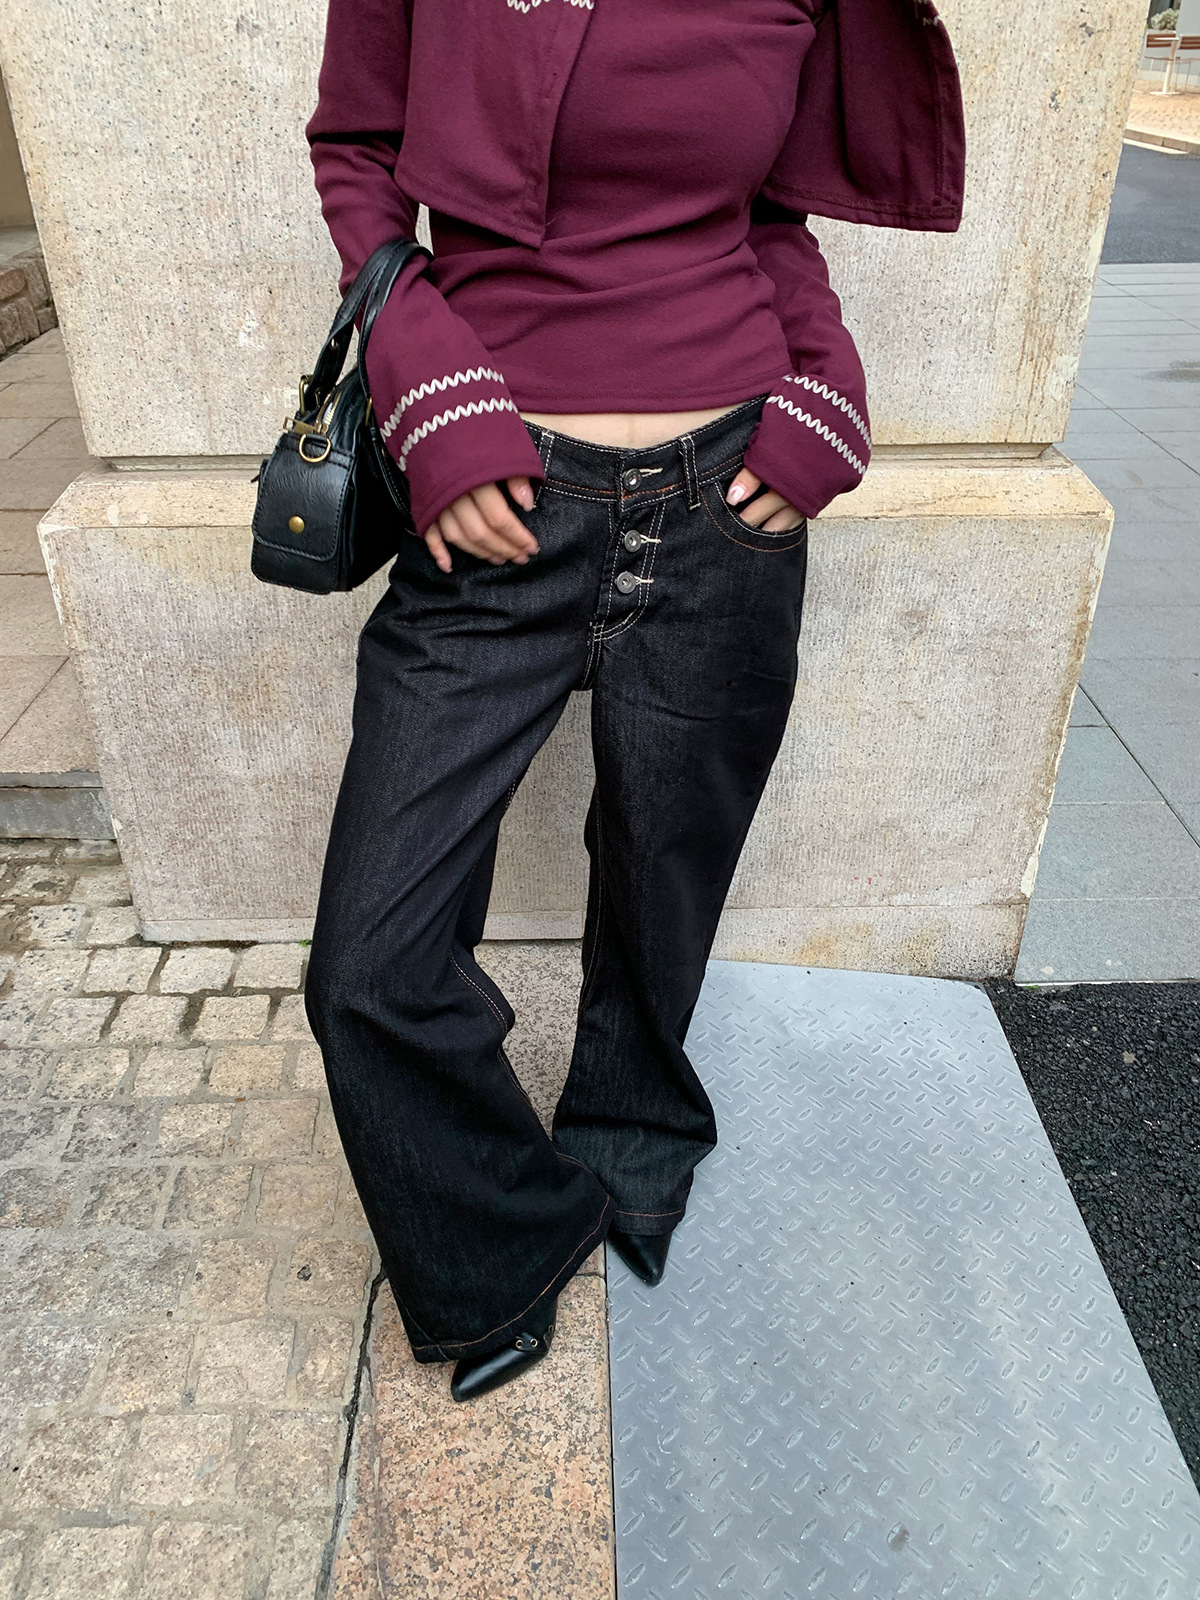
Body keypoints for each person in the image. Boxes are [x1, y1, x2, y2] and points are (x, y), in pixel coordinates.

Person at [302, 0, 965, 1401]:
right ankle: (497, 1238)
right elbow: (357, 157)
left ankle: (633, 1137)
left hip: (726, 502)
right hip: (496, 502)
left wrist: (828, 391)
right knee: (369, 958)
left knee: (667, 877)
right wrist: (430, 393)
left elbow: (770, 217)